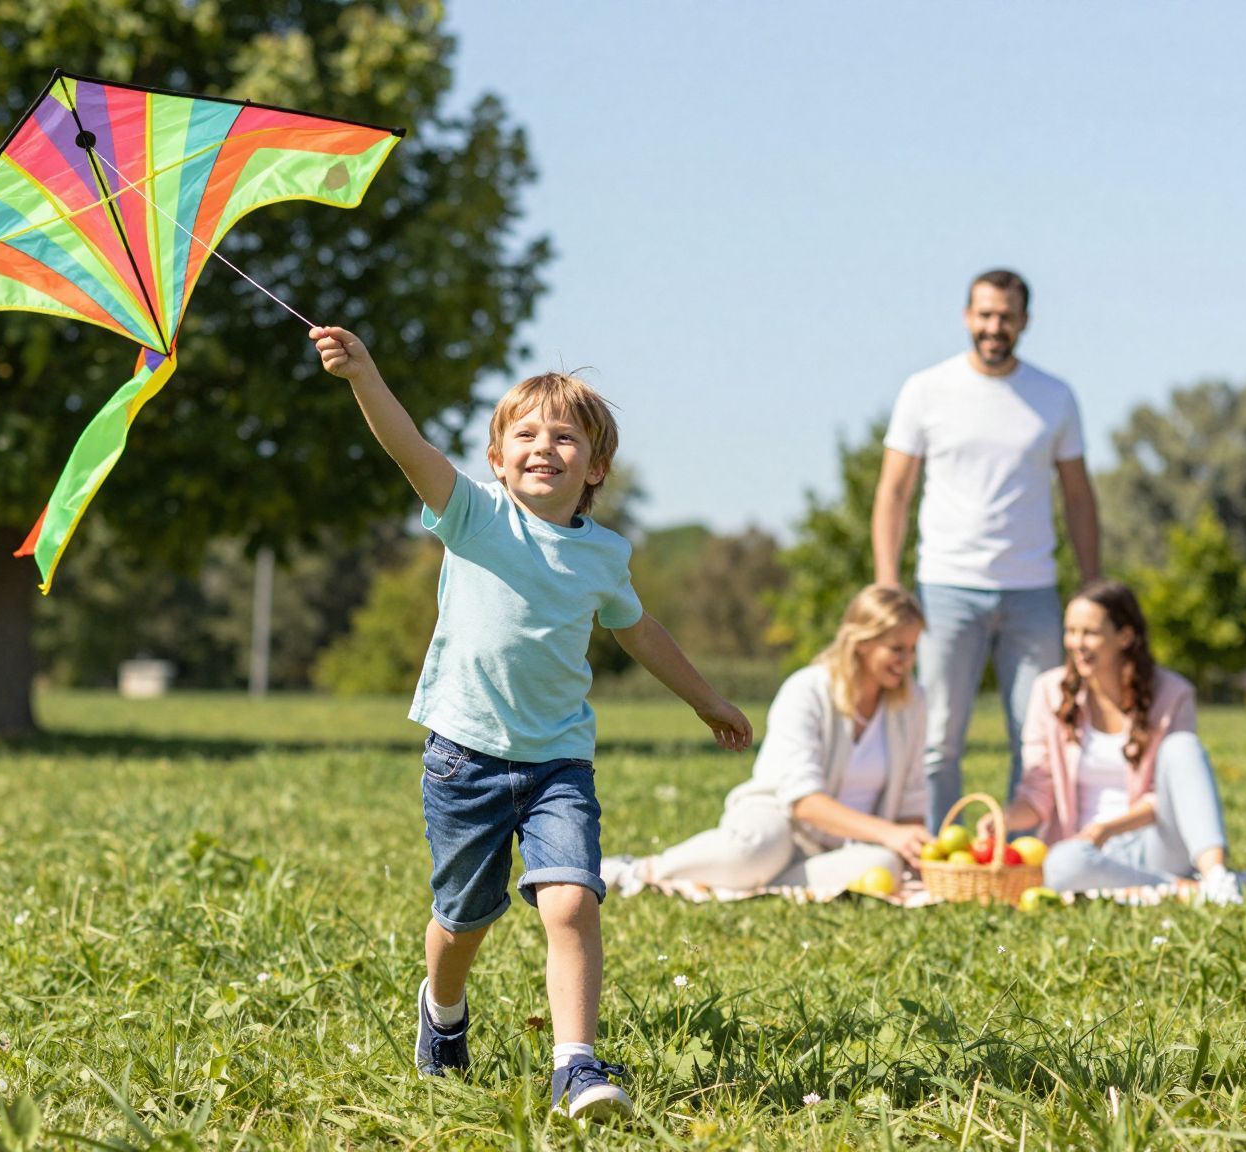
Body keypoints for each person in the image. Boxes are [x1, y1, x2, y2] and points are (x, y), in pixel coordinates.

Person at [311, 326, 753, 1120]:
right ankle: (442, 1014)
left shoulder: (604, 554)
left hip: (558, 763)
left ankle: (575, 1066)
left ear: (596, 466)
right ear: (496, 458)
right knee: (463, 919)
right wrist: (363, 376)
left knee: (572, 901)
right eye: (525, 434)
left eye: (565, 437)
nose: (543, 447)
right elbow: (407, 445)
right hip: (464, 760)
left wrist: (706, 699)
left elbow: (639, 631)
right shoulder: (471, 516)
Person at [872, 268, 1102, 831]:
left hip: (1033, 590)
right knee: (939, 736)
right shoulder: (926, 390)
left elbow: (1078, 496)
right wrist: (887, 581)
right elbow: (894, 491)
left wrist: (1093, 586)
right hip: (947, 586)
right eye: (985, 314)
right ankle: (937, 849)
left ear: (1024, 321)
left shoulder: (1054, 397)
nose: (994, 326)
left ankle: (1022, 848)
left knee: (1037, 733)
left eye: (1006, 316)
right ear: (967, 317)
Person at [604, 586, 933, 896]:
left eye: (914, 649)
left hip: (843, 846)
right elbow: (803, 801)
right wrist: (888, 833)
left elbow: (911, 799)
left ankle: (762, 886)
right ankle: (642, 870)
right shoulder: (808, 690)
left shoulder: (911, 703)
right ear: (861, 641)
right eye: (896, 648)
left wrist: (911, 846)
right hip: (777, 821)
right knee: (760, 850)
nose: (907, 661)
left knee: (884, 865)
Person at [992, 579, 1245, 903]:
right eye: (1071, 631)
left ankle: (1216, 876)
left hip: (1156, 843)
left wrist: (1107, 829)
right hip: (1085, 851)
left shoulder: (1172, 694)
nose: (1076, 643)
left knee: (1184, 747)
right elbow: (1038, 790)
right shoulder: (1049, 691)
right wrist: (1004, 819)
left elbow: (1165, 795)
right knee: (1059, 864)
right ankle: (1186, 890)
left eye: (1090, 633)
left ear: (1125, 637)